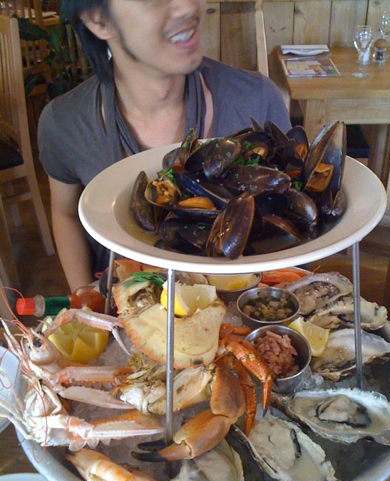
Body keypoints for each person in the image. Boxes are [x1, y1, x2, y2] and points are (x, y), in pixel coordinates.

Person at [38, 0, 291, 292]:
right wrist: (84, 297)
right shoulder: (65, 122)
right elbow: (65, 212)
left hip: (244, 302)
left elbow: (288, 214)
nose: (187, 7)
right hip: (127, 303)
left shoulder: (256, 99)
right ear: (98, 20)